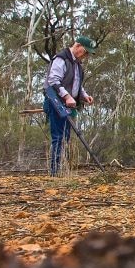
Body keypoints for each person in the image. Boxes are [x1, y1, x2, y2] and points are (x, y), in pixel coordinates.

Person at [42, 36, 97, 176]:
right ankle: (54, 172)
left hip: (68, 106)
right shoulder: (61, 59)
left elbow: (76, 84)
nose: (85, 55)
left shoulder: (77, 64)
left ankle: (63, 169)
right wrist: (66, 96)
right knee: (58, 137)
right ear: (77, 46)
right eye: (85, 51)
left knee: (66, 138)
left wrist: (84, 96)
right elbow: (53, 80)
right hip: (55, 102)